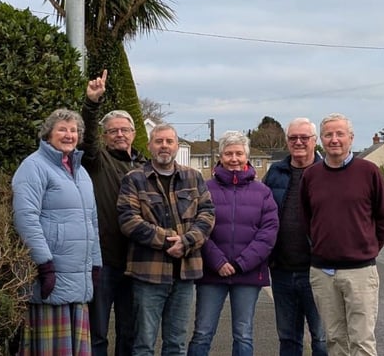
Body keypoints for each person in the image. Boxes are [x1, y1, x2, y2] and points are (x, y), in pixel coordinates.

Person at [300, 113, 384, 356]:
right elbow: (307, 219)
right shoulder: (311, 176)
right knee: (334, 340)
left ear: (350, 138)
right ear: (321, 139)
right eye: (329, 134)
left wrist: (367, 248)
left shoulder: (369, 172)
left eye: (340, 134)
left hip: (360, 272)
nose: (334, 139)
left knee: (362, 341)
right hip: (323, 273)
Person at [118, 123, 215, 356]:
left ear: (176, 146)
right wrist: (170, 240)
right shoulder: (134, 179)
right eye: (159, 141)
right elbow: (128, 220)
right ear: (150, 145)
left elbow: (207, 214)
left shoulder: (193, 177)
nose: (164, 146)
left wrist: (187, 241)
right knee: (143, 345)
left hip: (185, 274)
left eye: (169, 141)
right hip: (148, 274)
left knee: (176, 344)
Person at [12, 108, 102, 355]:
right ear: (48, 134)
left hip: (78, 280)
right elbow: (25, 217)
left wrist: (95, 263)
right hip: (50, 277)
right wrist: (45, 264)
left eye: (73, 130)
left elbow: (91, 221)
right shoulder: (33, 167)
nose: (69, 135)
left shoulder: (81, 172)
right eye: (62, 129)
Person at [187, 130, 279, 356]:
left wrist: (239, 264)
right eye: (229, 153)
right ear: (220, 156)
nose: (234, 158)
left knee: (244, 333)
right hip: (211, 272)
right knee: (202, 332)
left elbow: (268, 233)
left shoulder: (263, 192)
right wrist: (217, 261)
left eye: (239, 153)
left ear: (246, 156)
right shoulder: (205, 189)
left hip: (248, 273)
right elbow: (197, 227)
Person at [81, 69, 147, 356]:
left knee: (129, 332)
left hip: (137, 261)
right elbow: (88, 137)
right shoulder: (97, 161)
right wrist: (92, 104)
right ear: (105, 136)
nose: (120, 134)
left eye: (125, 130)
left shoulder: (145, 166)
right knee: (97, 332)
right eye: (113, 131)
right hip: (104, 260)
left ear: (133, 133)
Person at [262, 118, 327, 356]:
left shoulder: (327, 172)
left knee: (321, 338)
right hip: (282, 270)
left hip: (318, 271)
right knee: (288, 338)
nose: (298, 142)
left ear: (314, 141)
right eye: (293, 138)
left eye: (304, 138)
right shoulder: (275, 173)